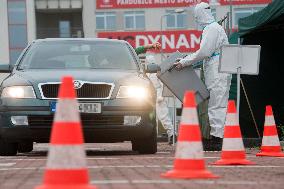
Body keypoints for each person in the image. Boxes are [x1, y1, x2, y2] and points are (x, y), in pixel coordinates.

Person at [174, 2, 232, 151]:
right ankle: (215, 137)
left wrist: (185, 62)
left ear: (200, 15)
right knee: (216, 103)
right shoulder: (212, 28)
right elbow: (205, 53)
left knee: (217, 104)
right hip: (216, 68)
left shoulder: (212, 29)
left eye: (197, 16)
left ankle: (217, 140)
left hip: (217, 70)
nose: (197, 20)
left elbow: (204, 52)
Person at [145, 55, 176, 145]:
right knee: (149, 117)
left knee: (163, 116)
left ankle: (172, 134)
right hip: (149, 96)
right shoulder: (147, 73)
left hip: (158, 95)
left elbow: (162, 84)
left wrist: (161, 96)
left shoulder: (158, 72)